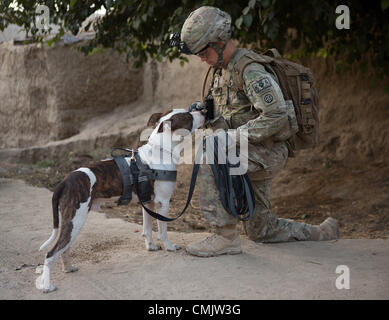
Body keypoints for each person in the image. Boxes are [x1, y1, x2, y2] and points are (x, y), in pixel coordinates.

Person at [178, 6, 339, 257]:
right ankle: (322, 232)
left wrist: (230, 137)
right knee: (260, 230)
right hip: (250, 150)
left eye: (203, 51)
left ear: (219, 42)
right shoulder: (220, 71)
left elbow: (276, 115)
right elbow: (231, 112)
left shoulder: (250, 69)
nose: (201, 58)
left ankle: (225, 236)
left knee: (210, 152)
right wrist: (204, 113)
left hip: (268, 151)